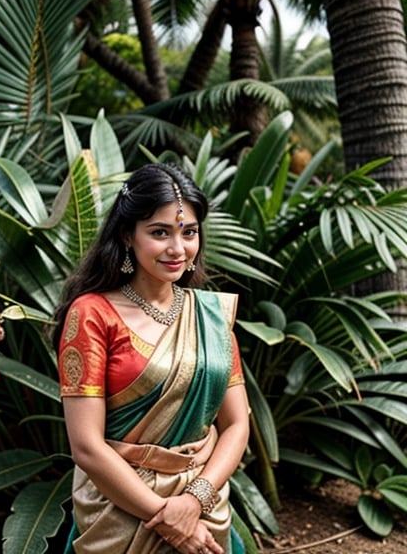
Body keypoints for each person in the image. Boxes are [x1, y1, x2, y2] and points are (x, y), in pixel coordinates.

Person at [53, 162, 250, 554]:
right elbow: (87, 447)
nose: (178, 249)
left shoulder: (211, 317)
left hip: (204, 507)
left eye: (189, 232)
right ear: (128, 235)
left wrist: (194, 502)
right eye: (160, 233)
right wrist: (169, 519)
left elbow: (237, 424)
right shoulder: (93, 314)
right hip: (119, 511)